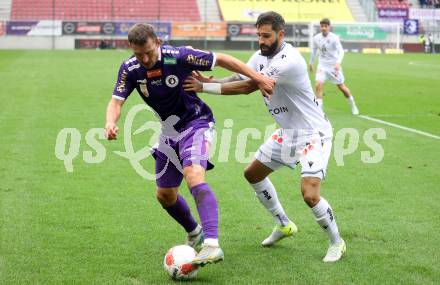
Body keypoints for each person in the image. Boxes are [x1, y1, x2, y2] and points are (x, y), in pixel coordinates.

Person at [105, 23, 274, 266]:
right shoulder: (130, 68)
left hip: (196, 122)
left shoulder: (180, 56)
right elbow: (116, 101)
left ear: (158, 44)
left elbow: (223, 59)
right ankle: (195, 231)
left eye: (149, 52)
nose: (144, 59)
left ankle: (212, 245)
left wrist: (258, 78)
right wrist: (110, 122)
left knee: (194, 175)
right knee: (165, 195)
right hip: (168, 131)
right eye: (138, 54)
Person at [184, 12, 346, 262]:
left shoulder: (289, 59)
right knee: (253, 174)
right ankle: (283, 224)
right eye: (258, 35)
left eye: (266, 36)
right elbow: (240, 77)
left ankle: (337, 242)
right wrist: (211, 80)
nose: (261, 40)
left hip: (314, 133)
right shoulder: (259, 56)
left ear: (281, 35)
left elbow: (250, 86)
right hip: (288, 133)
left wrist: (204, 88)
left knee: (310, 194)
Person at [309, 18, 359, 115]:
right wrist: (311, 63)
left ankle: (353, 105)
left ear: (329, 27)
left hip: (333, 67)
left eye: (325, 26)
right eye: (322, 26)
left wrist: (338, 63)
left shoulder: (334, 38)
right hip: (322, 66)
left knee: (342, 87)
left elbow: (341, 51)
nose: (323, 28)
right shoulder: (316, 38)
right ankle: (320, 112)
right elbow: (314, 50)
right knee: (318, 85)